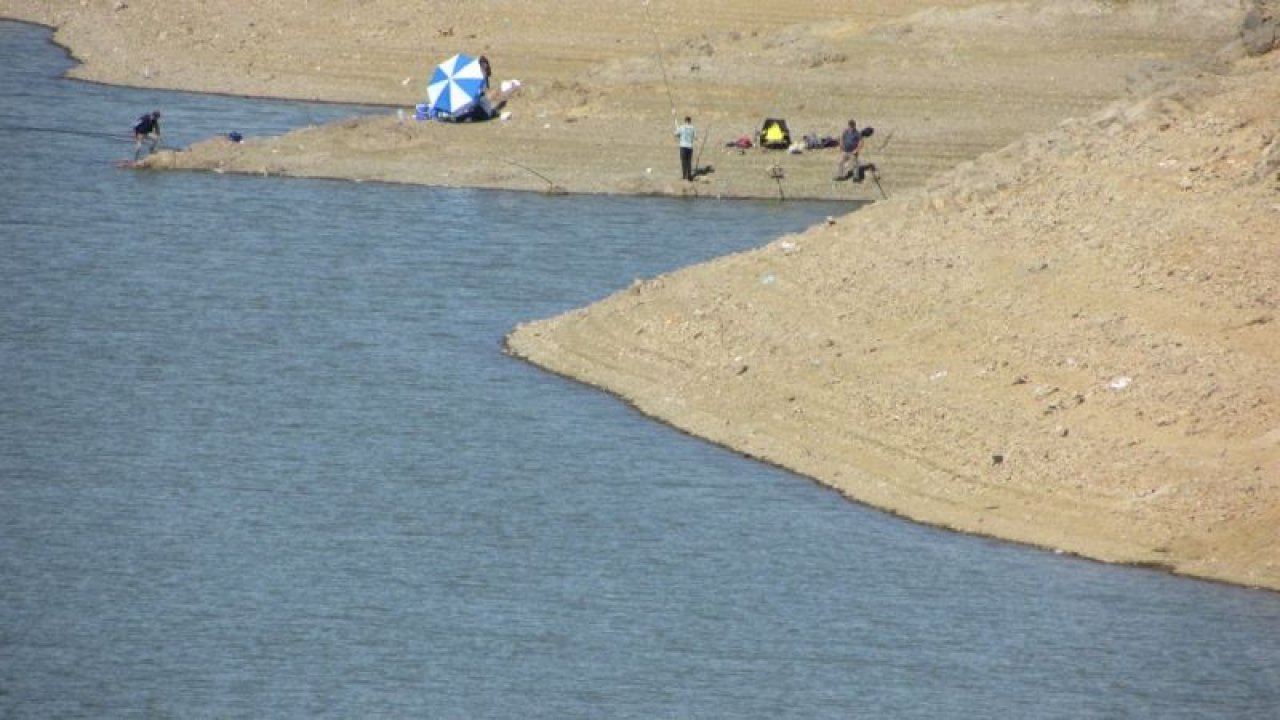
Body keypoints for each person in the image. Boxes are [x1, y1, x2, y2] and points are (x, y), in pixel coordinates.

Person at [674, 116, 696, 181]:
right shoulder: (693, 128)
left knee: (683, 162)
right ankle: (689, 176)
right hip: (690, 147)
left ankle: (684, 176)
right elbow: (695, 137)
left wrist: (677, 129)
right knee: (689, 162)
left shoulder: (682, 127)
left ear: (685, 121)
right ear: (690, 121)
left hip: (683, 146)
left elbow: (676, 134)